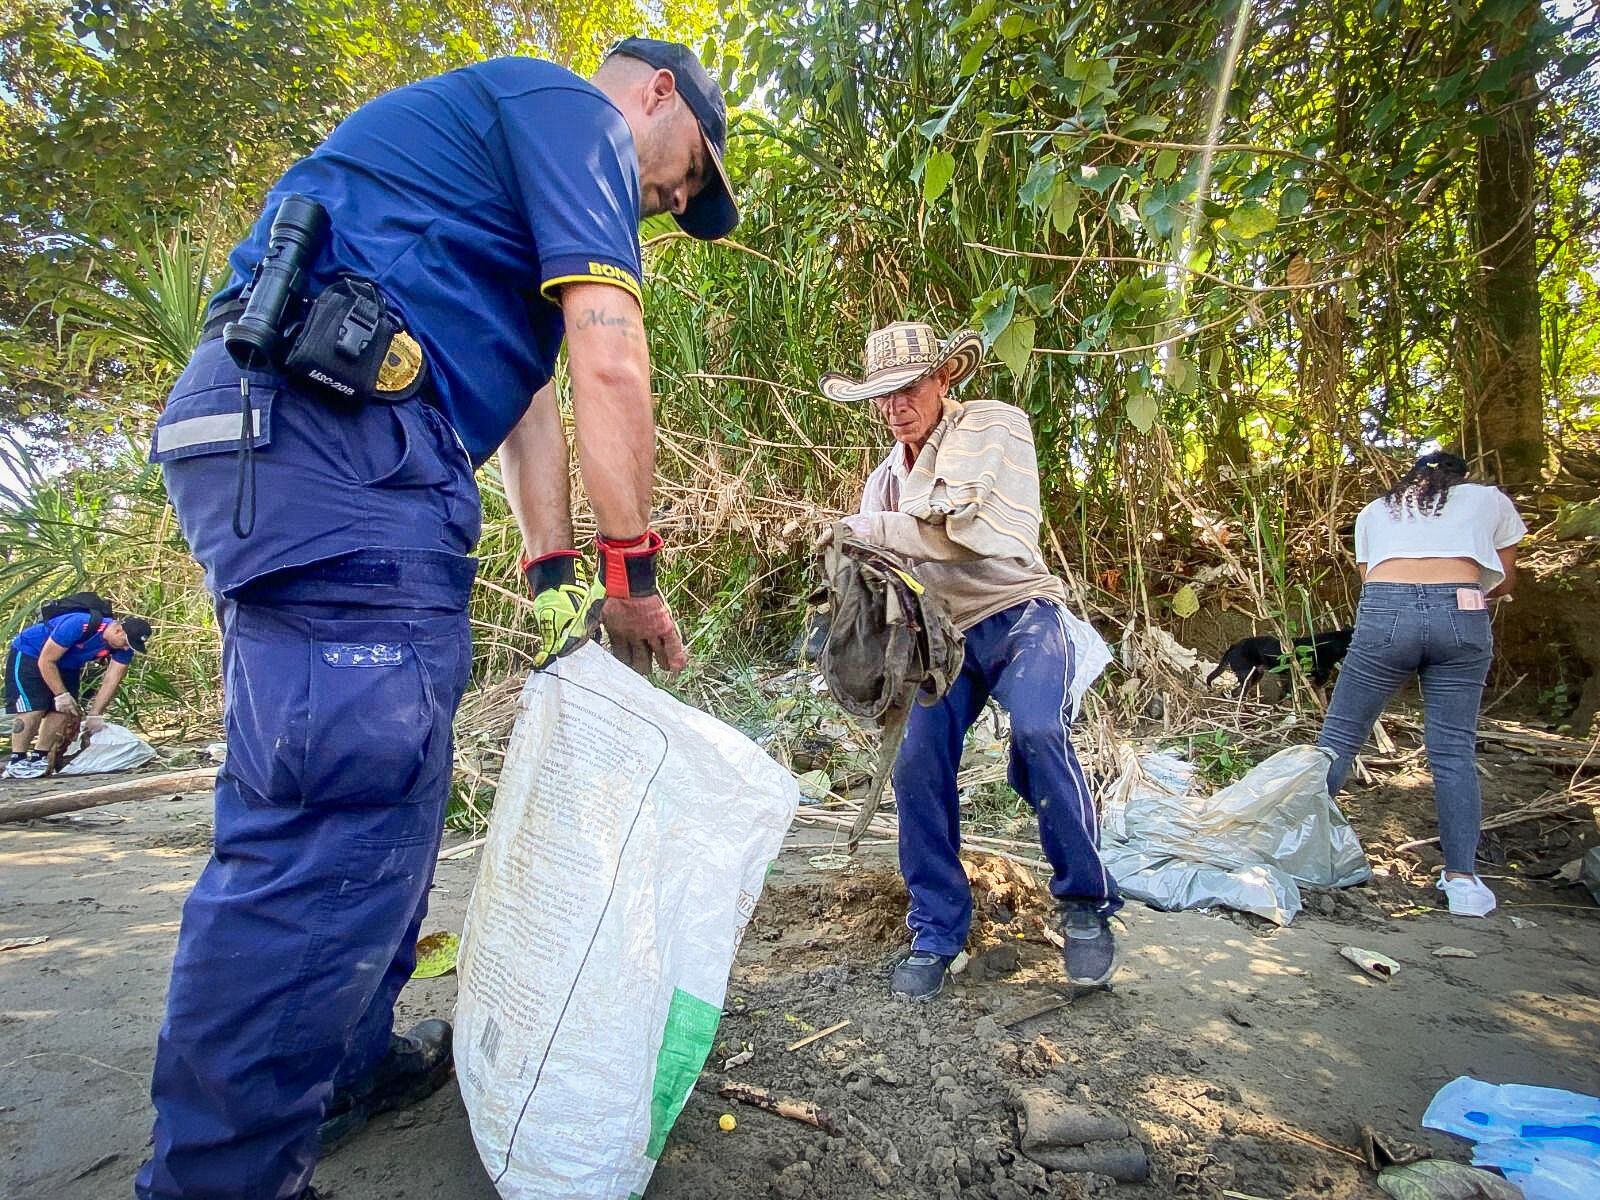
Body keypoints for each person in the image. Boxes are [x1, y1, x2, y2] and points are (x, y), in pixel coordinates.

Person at [138, 38, 736, 1200]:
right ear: (655, 94)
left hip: (330, 438)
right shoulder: (568, 112)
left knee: (383, 776)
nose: (671, 203)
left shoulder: (490, 194)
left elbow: (526, 407)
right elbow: (609, 359)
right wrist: (634, 574)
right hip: (334, 434)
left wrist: (557, 564)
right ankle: (220, 1180)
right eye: (685, 174)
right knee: (331, 821)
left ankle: (347, 1065)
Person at [819, 321, 1120, 1000]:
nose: (897, 405)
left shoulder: (991, 429)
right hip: (947, 640)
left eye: (910, 387)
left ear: (944, 379)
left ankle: (1085, 905)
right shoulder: (883, 484)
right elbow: (886, 567)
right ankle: (937, 930)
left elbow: (962, 532)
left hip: (1020, 619)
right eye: (883, 395)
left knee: (1041, 732)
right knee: (917, 762)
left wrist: (861, 531)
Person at [1316, 452, 1527, 917]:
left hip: (1387, 612)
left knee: (1339, 738)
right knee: (1453, 750)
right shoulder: (1489, 499)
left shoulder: (1376, 510)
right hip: (1464, 610)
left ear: (1408, 479)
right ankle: (1463, 882)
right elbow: (1506, 577)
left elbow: (1369, 576)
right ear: (1461, 475)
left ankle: (1295, 853)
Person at [5, 608, 151, 778]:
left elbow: (112, 680)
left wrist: (95, 714)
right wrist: (60, 694)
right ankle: (17, 759)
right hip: (31, 654)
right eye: (126, 642)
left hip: (67, 664)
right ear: (118, 630)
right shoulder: (79, 624)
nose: (127, 647)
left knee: (64, 711)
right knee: (33, 708)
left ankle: (40, 756)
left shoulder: (123, 648)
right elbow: (46, 660)